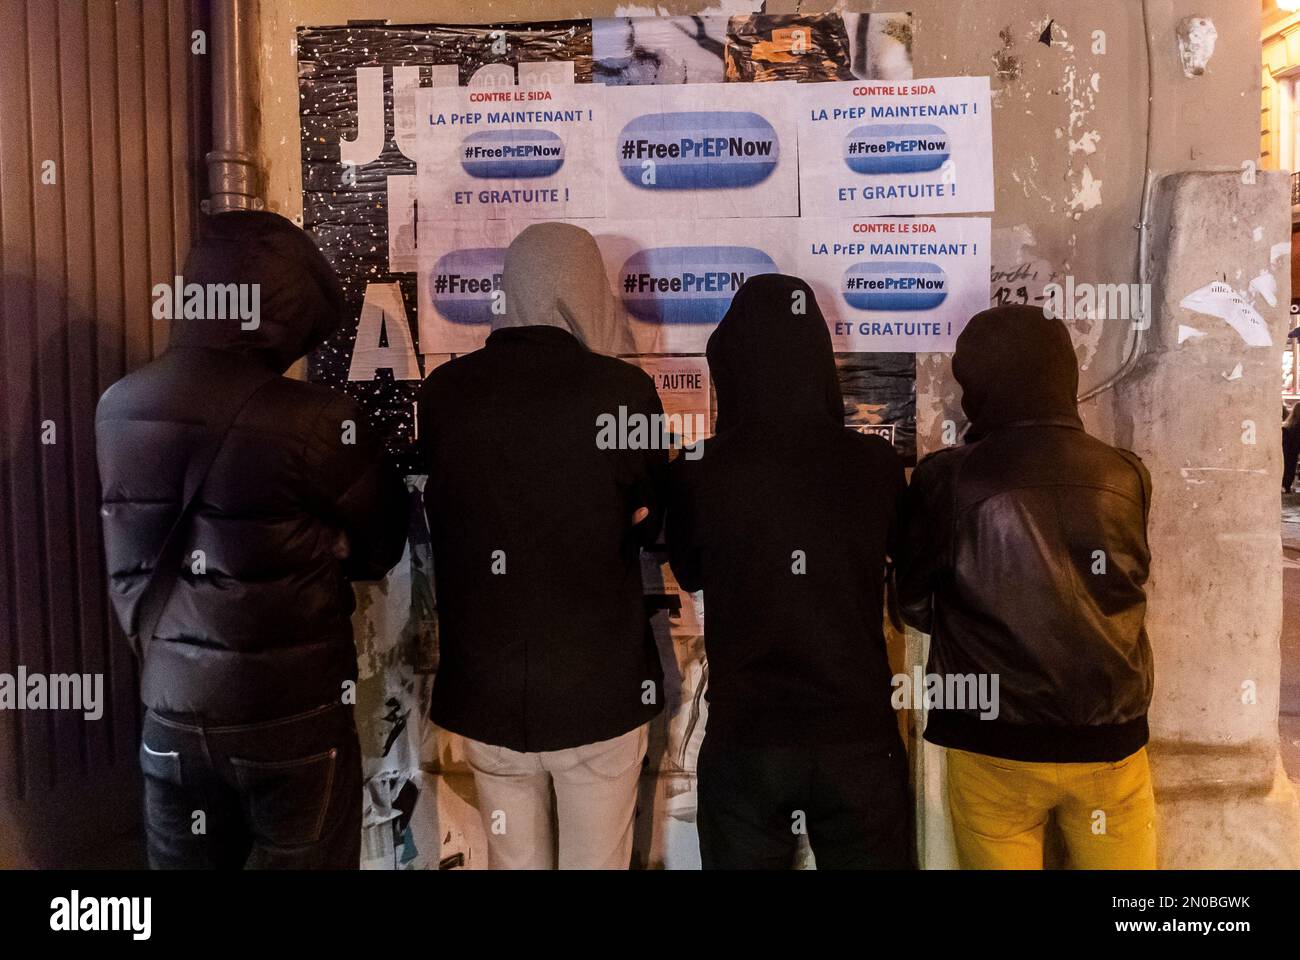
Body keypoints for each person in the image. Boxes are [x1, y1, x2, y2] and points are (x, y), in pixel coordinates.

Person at [96, 211, 407, 869]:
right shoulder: (320, 421)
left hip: (168, 714)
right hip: (290, 720)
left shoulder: (118, 405)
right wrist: (327, 544)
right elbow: (381, 546)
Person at [417, 222, 666, 870]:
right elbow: (652, 519)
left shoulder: (445, 393)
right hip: (598, 692)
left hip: (488, 692)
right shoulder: (622, 392)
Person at [897, 304, 1156, 870]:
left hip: (994, 743)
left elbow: (913, 606)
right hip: (1110, 741)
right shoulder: (1126, 473)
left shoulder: (946, 477)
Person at [666, 274, 910, 870]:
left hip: (747, 738)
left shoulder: (700, 467)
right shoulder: (874, 465)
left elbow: (690, 570)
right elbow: (908, 569)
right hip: (857, 736)